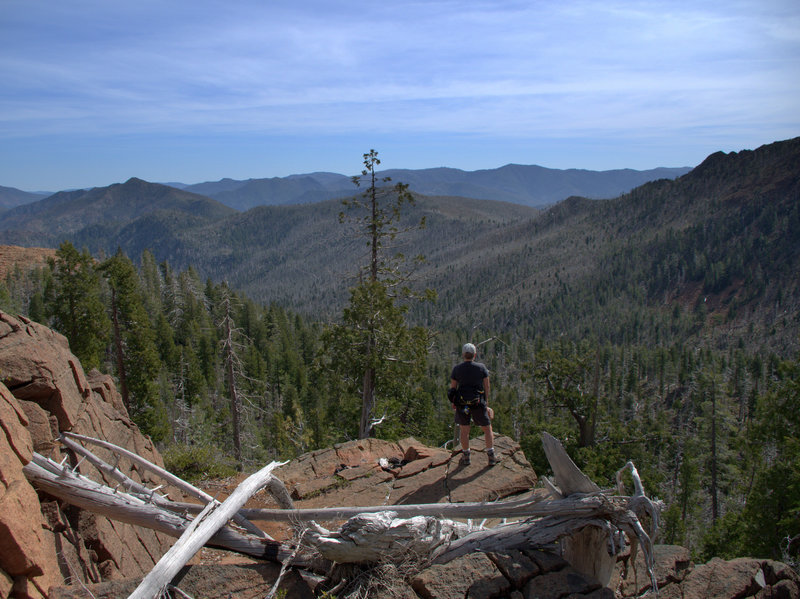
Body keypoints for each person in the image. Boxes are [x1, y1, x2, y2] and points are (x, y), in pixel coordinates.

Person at [449, 342, 497, 466]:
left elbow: (453, 388)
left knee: (464, 430)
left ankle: (466, 457)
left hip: (462, 403)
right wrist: (486, 402)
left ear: (463, 355)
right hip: (478, 402)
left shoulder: (457, 369)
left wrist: (454, 402)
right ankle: (491, 456)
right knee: (487, 429)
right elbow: (487, 386)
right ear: (474, 355)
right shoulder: (481, 368)